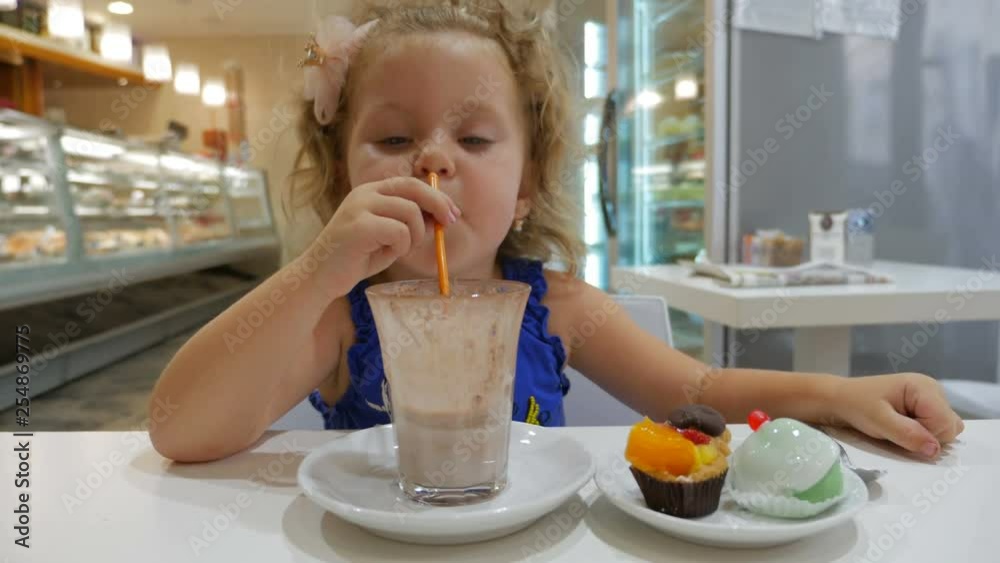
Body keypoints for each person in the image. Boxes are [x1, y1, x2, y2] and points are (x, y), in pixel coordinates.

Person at [148, 1, 963, 463]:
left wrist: (838, 395)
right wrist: (316, 272)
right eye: (394, 138)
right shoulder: (340, 318)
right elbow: (180, 428)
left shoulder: (560, 308)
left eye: (474, 139)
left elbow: (701, 392)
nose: (433, 159)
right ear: (340, 180)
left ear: (527, 186)